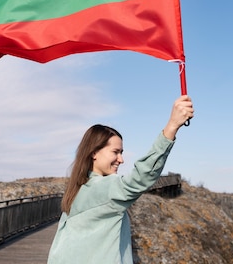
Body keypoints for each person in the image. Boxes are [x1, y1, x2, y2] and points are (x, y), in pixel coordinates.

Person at [47, 95, 194, 264]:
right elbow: (141, 178)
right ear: (94, 153)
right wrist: (172, 127)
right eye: (115, 152)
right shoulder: (102, 188)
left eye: (121, 153)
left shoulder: (78, 189)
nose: (121, 159)